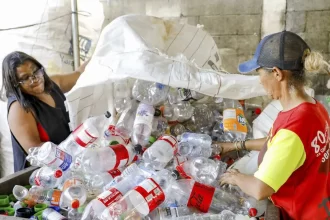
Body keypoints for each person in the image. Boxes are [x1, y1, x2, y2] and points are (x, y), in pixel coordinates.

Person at [217, 31, 330, 219]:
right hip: (319, 206)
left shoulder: (293, 127)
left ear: (277, 73)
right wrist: (235, 145)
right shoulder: (315, 108)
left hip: (299, 214)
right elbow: (277, 143)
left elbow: (260, 189)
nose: (260, 81)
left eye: (259, 73)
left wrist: (236, 177)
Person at [1, 51, 89, 172]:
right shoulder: (19, 109)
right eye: (26, 78)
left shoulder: (53, 85)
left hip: (72, 162)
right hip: (43, 176)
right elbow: (37, 152)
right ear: (15, 84)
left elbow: (79, 74)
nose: (35, 79)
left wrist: (102, 50)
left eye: (36, 71)